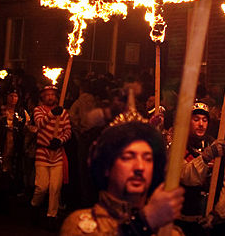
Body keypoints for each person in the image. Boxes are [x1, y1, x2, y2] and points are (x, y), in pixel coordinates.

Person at [60, 119, 184, 235]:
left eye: (148, 159)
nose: (140, 167)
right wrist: (143, 223)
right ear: (107, 167)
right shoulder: (81, 224)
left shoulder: (168, 232)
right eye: (128, 157)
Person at [176, 102, 225, 235]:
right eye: (196, 120)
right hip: (186, 222)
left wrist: (217, 213)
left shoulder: (216, 146)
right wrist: (204, 158)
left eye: (204, 120)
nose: (201, 124)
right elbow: (185, 176)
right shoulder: (179, 147)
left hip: (212, 222)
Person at [30, 82, 71, 230]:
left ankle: (51, 217)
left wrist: (60, 140)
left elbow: (68, 131)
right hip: (42, 153)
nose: (50, 97)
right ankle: (34, 206)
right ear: (42, 97)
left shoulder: (64, 113)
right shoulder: (38, 110)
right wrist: (52, 114)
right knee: (42, 187)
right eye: (47, 95)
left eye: (52, 95)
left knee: (55, 188)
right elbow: (39, 124)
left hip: (57, 154)